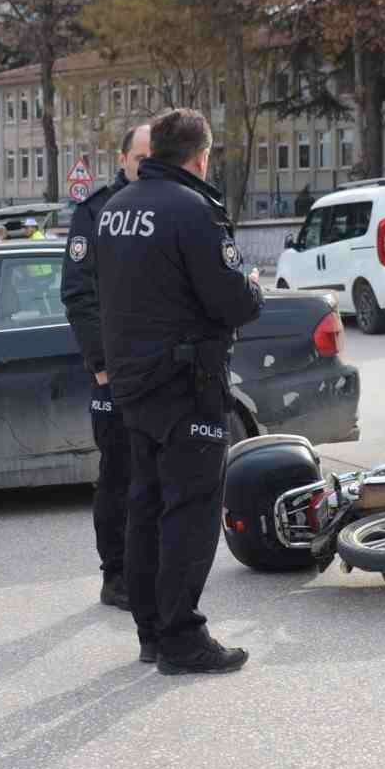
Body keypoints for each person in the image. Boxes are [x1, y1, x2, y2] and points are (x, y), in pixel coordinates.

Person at [96, 108, 262, 675]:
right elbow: (233, 303)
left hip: (134, 386)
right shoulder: (195, 211)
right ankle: (182, 638)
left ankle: (151, 632)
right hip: (186, 385)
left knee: (144, 508)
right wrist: (254, 288)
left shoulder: (114, 209)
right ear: (201, 157)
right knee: (188, 514)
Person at [61, 122, 152, 612]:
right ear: (122, 160)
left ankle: (151, 564)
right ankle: (115, 574)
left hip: (157, 369)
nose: (147, 164)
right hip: (114, 373)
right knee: (119, 474)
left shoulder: (169, 207)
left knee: (156, 473)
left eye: (155, 156)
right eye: (140, 156)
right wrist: (100, 365)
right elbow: (78, 293)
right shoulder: (95, 212)